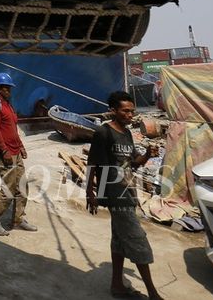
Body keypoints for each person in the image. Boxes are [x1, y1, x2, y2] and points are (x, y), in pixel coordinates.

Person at [86, 91, 163, 300]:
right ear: (113, 111)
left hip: (128, 192)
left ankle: (117, 286)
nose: (130, 115)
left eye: (132, 111)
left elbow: (132, 164)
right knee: (138, 240)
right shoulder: (103, 132)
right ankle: (153, 294)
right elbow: (92, 164)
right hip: (114, 194)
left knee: (119, 240)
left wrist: (147, 155)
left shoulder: (127, 134)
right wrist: (90, 193)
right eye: (125, 111)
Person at [0, 71, 37, 236]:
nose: (9, 91)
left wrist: (21, 146)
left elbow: (12, 129)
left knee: (23, 185)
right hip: (4, 152)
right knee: (9, 187)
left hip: (15, 151)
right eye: (6, 88)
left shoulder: (8, 105)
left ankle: (18, 220)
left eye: (10, 88)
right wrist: (4, 150)